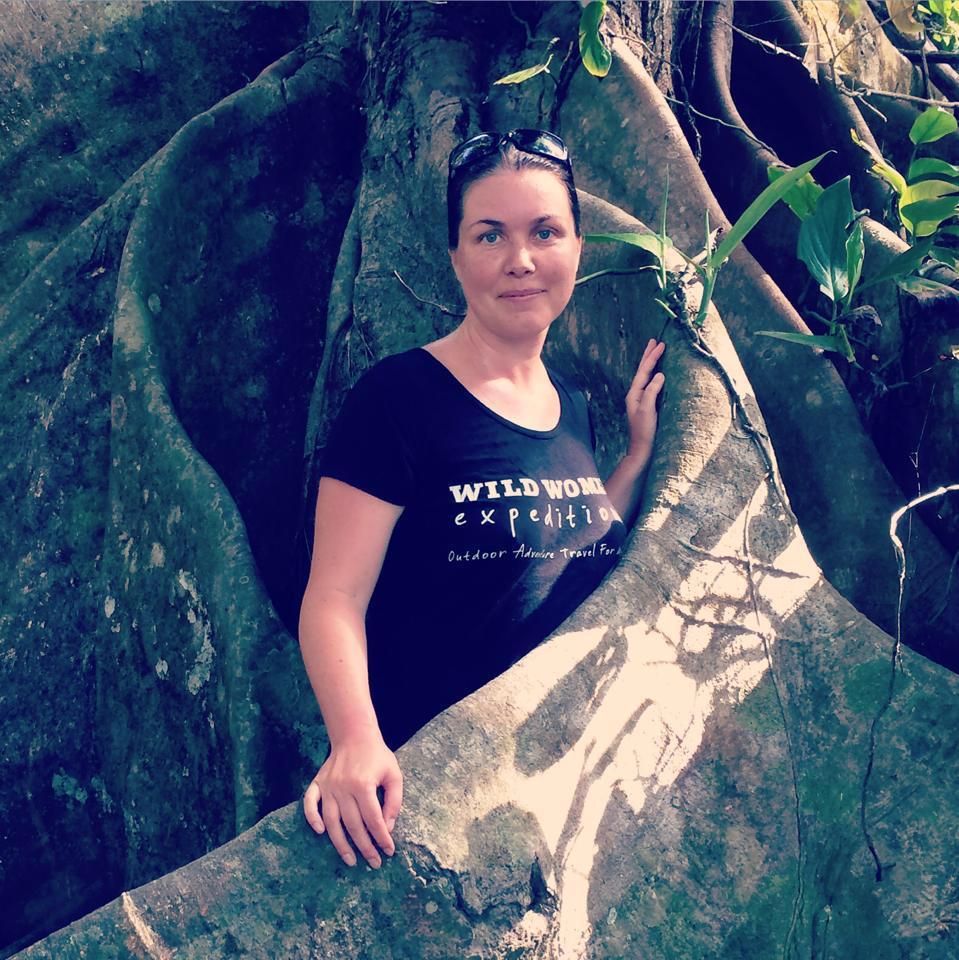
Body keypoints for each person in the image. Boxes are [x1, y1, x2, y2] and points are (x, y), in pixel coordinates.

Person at [298, 129, 666, 871]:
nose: (519, 259)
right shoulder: (397, 399)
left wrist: (635, 458)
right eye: (489, 235)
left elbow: (573, 548)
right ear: (456, 256)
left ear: (578, 246)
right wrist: (355, 739)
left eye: (544, 232)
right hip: (427, 798)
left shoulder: (571, 406)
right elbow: (333, 595)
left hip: (559, 796)